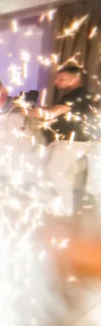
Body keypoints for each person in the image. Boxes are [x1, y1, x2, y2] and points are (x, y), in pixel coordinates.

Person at [25, 66, 97, 216]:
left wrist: (25, 110)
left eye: (61, 79)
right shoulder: (77, 95)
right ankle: (52, 202)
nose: (57, 82)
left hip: (74, 142)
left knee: (53, 170)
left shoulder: (75, 95)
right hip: (71, 140)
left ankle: (66, 206)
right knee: (46, 167)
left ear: (74, 79)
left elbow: (51, 114)